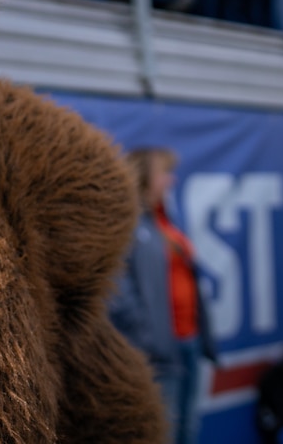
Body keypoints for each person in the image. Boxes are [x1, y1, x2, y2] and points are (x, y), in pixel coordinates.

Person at [109, 148, 216, 444]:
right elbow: (117, 288)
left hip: (187, 343)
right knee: (161, 434)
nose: (171, 180)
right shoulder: (128, 224)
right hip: (158, 354)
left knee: (187, 431)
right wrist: (148, 338)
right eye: (164, 173)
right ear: (145, 178)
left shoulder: (165, 222)